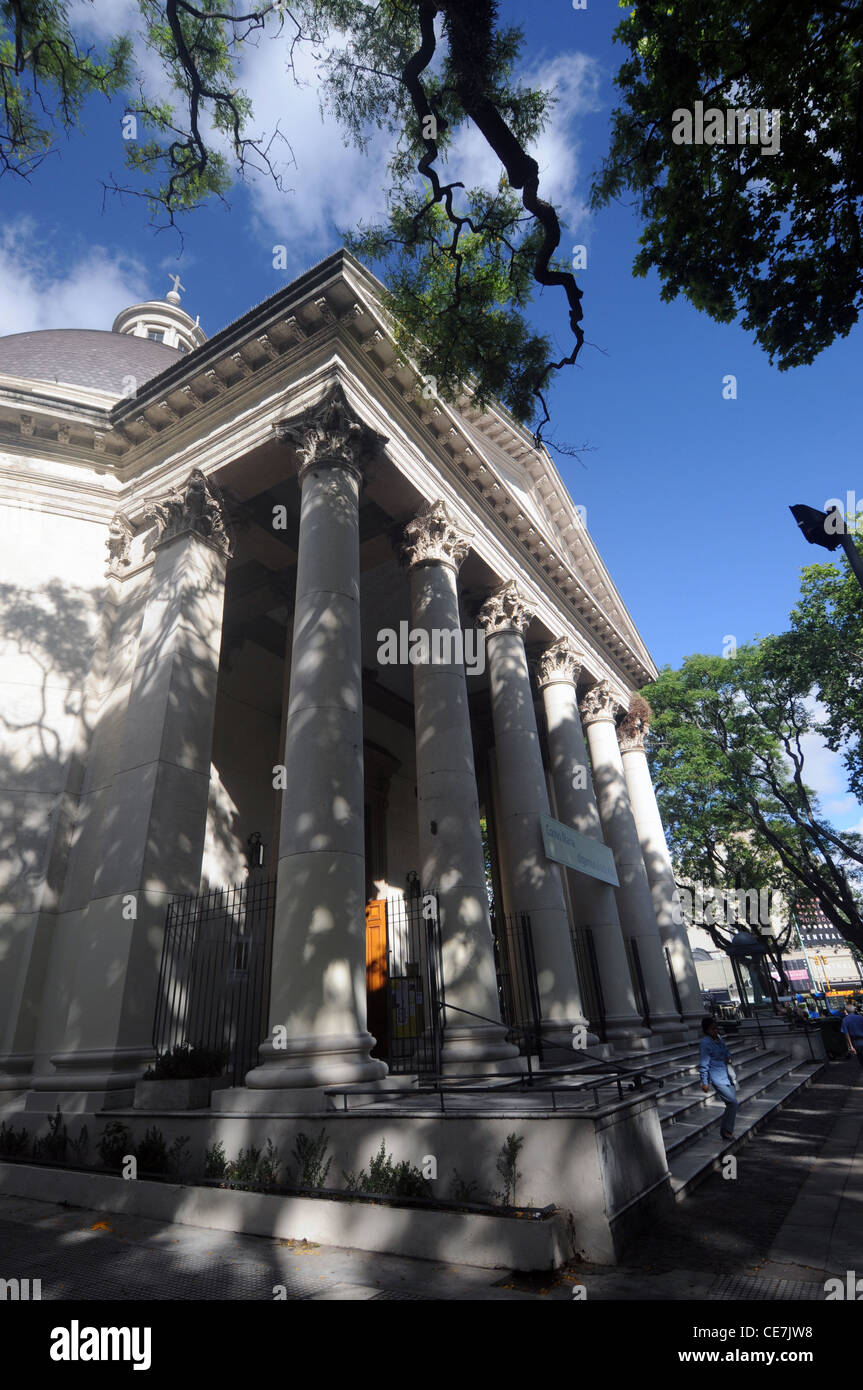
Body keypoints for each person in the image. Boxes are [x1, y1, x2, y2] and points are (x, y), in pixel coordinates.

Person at [699, 1015, 738, 1141]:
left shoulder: (719, 1039)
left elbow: (727, 1051)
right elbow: (704, 1064)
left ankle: (726, 1131)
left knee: (731, 1104)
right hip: (717, 1077)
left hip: (727, 1075)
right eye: (712, 1029)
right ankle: (727, 1131)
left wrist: (728, 1057)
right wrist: (704, 1082)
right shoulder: (705, 1044)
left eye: (716, 1028)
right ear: (706, 1030)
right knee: (733, 1102)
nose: (715, 1031)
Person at [840, 1003, 863, 1070]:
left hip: (856, 1043)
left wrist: (851, 1047)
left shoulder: (845, 1020)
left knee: (861, 1060)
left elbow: (846, 1034)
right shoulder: (861, 1017)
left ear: (846, 1011)